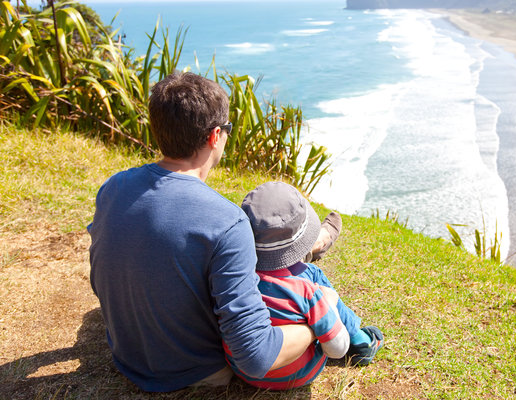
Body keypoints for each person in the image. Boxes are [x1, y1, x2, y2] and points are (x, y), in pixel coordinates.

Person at [88, 72, 315, 392]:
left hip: (127, 354)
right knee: (301, 289)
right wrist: (313, 327)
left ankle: (312, 250)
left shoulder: (113, 188)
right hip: (196, 372)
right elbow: (256, 356)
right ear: (215, 136)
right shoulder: (228, 222)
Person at [227, 181, 384, 390]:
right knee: (311, 273)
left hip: (242, 371)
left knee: (304, 271)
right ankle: (361, 342)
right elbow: (337, 349)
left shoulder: (233, 279)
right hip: (298, 373)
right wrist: (328, 307)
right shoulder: (306, 290)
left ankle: (317, 245)